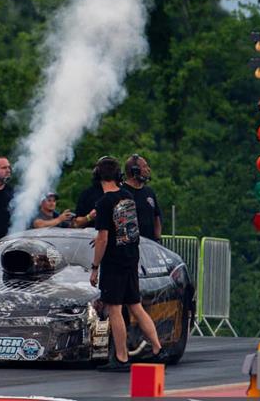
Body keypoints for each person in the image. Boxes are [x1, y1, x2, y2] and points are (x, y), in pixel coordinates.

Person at [89, 156, 162, 372]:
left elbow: (103, 238)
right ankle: (158, 348)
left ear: (98, 176)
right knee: (135, 305)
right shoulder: (128, 196)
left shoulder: (103, 203)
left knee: (114, 308)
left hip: (114, 262)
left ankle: (121, 358)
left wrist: (94, 267)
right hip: (131, 257)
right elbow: (126, 228)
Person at [123, 154, 162, 242]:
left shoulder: (149, 192)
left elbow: (156, 217)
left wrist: (158, 239)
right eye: (144, 166)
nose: (148, 169)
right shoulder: (121, 193)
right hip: (131, 247)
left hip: (150, 245)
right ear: (135, 171)